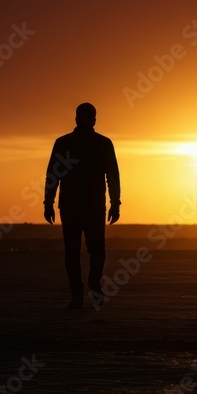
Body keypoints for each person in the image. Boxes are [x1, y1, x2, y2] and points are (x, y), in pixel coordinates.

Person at [43, 103, 121, 309]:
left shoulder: (103, 144)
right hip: (72, 206)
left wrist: (115, 203)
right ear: (76, 118)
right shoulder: (64, 143)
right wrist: (48, 202)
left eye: (89, 117)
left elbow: (112, 176)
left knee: (96, 250)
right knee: (73, 251)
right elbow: (53, 175)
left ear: (94, 120)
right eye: (83, 117)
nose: (86, 120)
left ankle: (93, 284)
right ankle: (77, 293)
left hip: (93, 206)